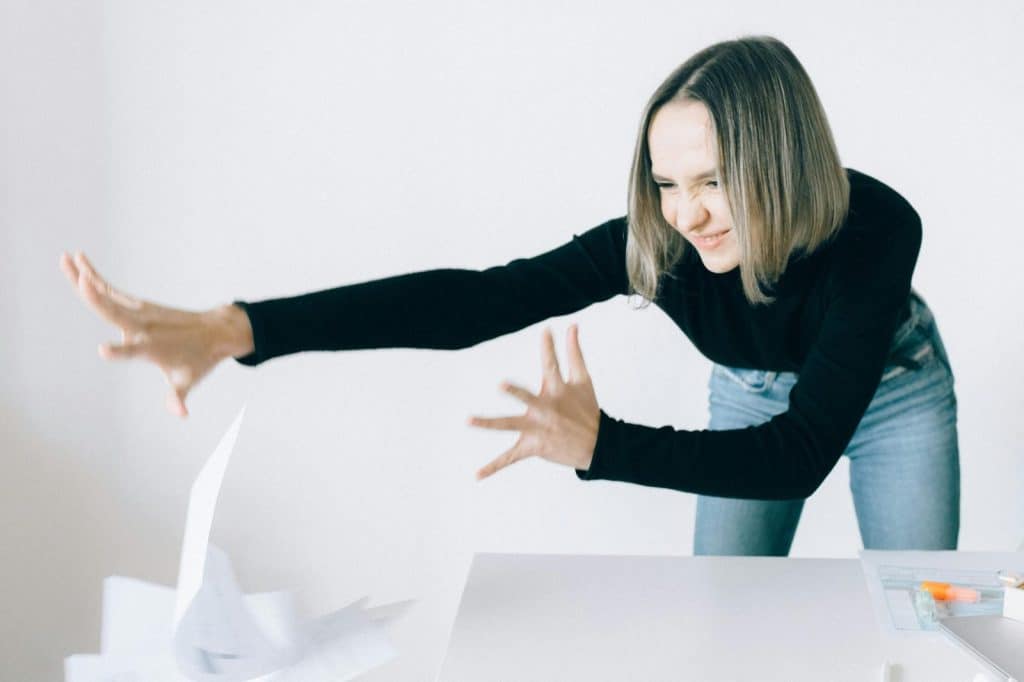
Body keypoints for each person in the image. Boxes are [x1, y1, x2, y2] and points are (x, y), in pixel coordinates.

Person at [60, 35, 959, 555]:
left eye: (714, 181)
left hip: (896, 390)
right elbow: (475, 303)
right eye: (666, 184)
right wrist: (243, 327)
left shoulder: (877, 229)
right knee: (725, 608)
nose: (686, 214)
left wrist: (605, 445)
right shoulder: (659, 244)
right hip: (751, 391)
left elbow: (798, 455)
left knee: (921, 616)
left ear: (778, 160)